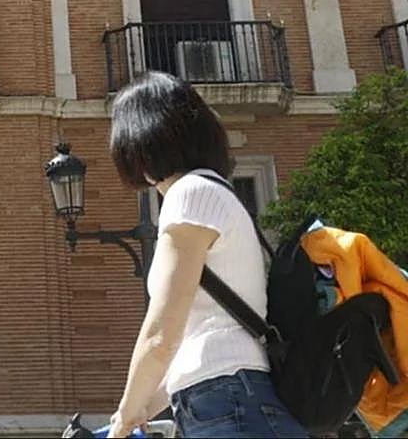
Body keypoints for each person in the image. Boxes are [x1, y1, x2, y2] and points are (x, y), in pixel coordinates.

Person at [105, 71, 307, 439]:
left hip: (228, 399)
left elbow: (161, 335)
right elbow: (196, 338)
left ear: (140, 143)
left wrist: (124, 415)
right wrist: (142, 408)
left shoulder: (189, 195)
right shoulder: (213, 193)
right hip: (231, 395)